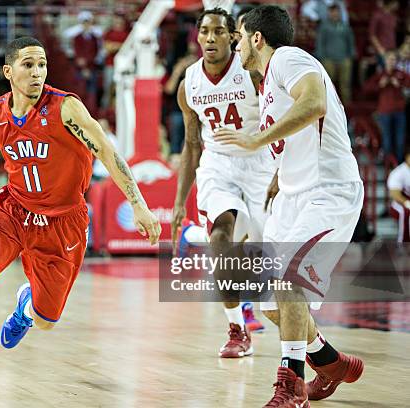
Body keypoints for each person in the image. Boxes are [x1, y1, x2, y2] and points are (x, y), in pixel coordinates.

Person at [0, 36, 161, 396]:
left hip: (62, 222)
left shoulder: (66, 108)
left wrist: (138, 204)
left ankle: (26, 306)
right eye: (28, 65)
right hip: (11, 209)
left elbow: (107, 152)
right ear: (8, 71)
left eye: (41, 65)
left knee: (47, 320)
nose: (37, 73)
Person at [216, 6, 364, 406]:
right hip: (292, 197)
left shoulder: (289, 58)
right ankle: (334, 364)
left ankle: (290, 386)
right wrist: (279, 177)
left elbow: (314, 102)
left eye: (240, 36)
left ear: (257, 38)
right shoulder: (267, 82)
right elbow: (301, 133)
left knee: (290, 285)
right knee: (273, 307)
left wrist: (255, 142)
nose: (236, 43)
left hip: (327, 192)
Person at [170, 8, 274, 359]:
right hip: (217, 166)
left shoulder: (254, 73)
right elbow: (191, 144)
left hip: (260, 162)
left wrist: (280, 170)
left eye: (218, 31)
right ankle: (236, 328)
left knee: (263, 255)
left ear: (233, 36)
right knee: (220, 238)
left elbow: (281, 123)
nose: (210, 38)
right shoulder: (190, 83)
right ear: (197, 36)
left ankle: (299, 336)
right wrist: (178, 202)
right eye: (204, 31)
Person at [364, 51, 409, 164]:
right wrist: (380, 85)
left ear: (396, 62)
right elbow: (367, 87)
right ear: (385, 61)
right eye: (389, 59)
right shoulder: (380, 75)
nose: (391, 62)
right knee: (387, 140)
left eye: (393, 60)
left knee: (400, 140)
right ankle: (387, 165)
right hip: (384, 111)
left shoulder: (401, 74)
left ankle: (398, 165)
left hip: (399, 111)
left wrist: (400, 84)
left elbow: (408, 83)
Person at [315, 5, 355, 104]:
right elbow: (320, 43)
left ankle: (347, 106)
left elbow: (350, 41)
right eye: (332, 12)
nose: (335, 14)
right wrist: (322, 58)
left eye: (337, 11)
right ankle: (329, 104)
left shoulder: (345, 26)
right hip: (329, 59)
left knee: (345, 84)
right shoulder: (324, 27)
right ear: (329, 13)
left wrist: (351, 55)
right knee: (328, 84)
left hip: (344, 58)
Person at [388, 151, 410, 242]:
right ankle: (403, 243)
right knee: (405, 211)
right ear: (407, 157)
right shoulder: (399, 172)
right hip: (400, 202)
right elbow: (394, 193)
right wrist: (406, 202)